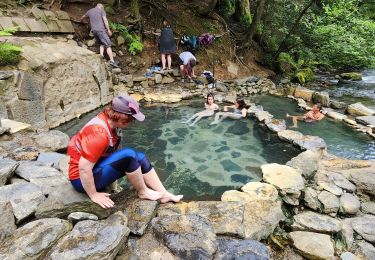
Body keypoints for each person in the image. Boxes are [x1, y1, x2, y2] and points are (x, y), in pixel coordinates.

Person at [67, 95, 183, 208]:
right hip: (80, 180)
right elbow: (84, 168)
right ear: (123, 118)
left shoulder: (109, 122)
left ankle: (165, 194)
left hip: (96, 168)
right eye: (132, 118)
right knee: (129, 155)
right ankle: (143, 192)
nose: (133, 122)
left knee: (140, 157)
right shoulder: (99, 134)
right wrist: (94, 195)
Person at [81, 3, 119, 68]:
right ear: (101, 7)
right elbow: (105, 20)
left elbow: (82, 17)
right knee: (108, 45)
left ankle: (101, 55)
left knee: (101, 43)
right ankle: (112, 61)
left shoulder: (90, 11)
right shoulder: (101, 10)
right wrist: (108, 30)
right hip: (101, 30)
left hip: (94, 31)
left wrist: (82, 21)